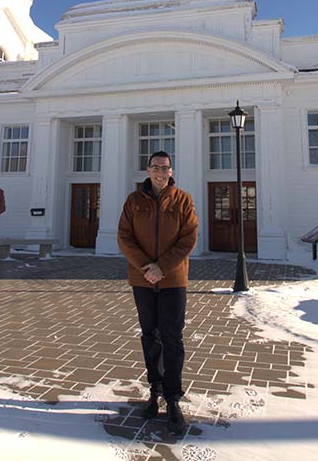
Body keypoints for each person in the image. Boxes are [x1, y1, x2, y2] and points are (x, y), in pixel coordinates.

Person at [117, 150, 198, 435]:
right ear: (148, 170)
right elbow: (124, 236)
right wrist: (145, 267)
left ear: (171, 171)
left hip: (173, 279)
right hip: (142, 280)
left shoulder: (183, 200)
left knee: (172, 337)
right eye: (155, 167)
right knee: (150, 335)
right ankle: (155, 391)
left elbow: (189, 237)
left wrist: (161, 267)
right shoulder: (134, 201)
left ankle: (173, 398)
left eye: (165, 168)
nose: (160, 172)